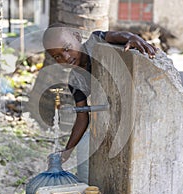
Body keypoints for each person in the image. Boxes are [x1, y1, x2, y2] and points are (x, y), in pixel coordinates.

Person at [42, 23, 157, 164]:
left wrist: (133, 38)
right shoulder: (75, 80)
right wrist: (67, 151)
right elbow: (82, 117)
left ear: (77, 37)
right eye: (58, 56)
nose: (65, 57)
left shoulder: (95, 41)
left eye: (67, 48)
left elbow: (117, 36)